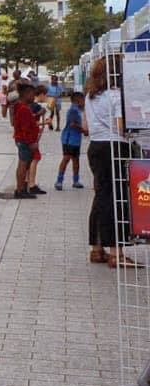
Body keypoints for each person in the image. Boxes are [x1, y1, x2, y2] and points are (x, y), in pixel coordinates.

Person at [85, 57, 127, 265]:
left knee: (101, 196)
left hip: (95, 147)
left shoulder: (90, 96)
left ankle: (96, 247)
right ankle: (116, 252)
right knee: (116, 198)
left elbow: (86, 125)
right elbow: (121, 127)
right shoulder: (116, 96)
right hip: (114, 147)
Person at [10, 80, 44, 199]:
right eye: (31, 94)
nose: (33, 96)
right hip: (25, 141)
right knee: (23, 165)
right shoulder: (23, 108)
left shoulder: (22, 107)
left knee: (24, 164)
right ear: (25, 94)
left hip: (23, 140)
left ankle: (22, 188)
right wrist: (31, 143)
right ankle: (20, 190)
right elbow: (26, 129)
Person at [56, 90, 87, 191]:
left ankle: (76, 180)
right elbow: (73, 124)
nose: (84, 103)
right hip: (69, 138)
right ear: (77, 100)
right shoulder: (73, 110)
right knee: (66, 158)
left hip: (76, 139)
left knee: (76, 159)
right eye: (83, 100)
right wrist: (83, 130)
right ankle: (59, 181)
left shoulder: (78, 109)